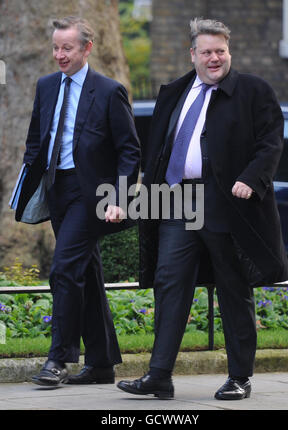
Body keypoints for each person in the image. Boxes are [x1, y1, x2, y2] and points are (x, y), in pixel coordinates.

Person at [117, 18, 288, 400]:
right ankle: (159, 375)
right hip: (177, 202)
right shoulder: (176, 91)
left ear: (230, 52)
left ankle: (239, 377)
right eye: (207, 52)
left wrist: (251, 177)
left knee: (233, 289)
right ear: (192, 54)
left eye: (221, 51)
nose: (215, 59)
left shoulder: (253, 91)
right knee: (169, 285)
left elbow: (271, 143)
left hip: (227, 203)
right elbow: (159, 150)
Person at [15, 16, 140, 386]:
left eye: (67, 47)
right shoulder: (46, 85)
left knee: (63, 270)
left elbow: (130, 151)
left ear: (87, 47)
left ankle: (59, 358)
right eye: (55, 47)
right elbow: (36, 140)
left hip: (93, 195)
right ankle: (101, 363)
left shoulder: (108, 90)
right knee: (87, 273)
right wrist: (30, 182)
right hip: (58, 190)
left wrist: (118, 197)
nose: (59, 55)